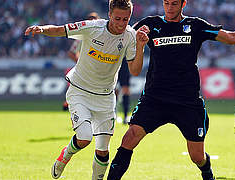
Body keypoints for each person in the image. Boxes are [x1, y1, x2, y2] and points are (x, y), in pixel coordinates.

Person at [106, 0, 235, 180]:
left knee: (197, 157)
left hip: (187, 102)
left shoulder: (195, 26)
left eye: (174, 4)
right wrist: (134, 43)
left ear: (183, 4)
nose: (170, 8)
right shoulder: (149, 24)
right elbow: (120, 34)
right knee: (129, 139)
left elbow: (230, 37)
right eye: (167, 3)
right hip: (155, 98)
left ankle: (206, 172)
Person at [24, 0, 149, 179]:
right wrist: (42, 29)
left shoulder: (130, 35)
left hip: (105, 97)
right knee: (84, 138)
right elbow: (61, 29)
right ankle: (65, 156)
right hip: (80, 91)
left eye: (125, 19)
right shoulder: (92, 27)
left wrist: (141, 47)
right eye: (117, 18)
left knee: (103, 150)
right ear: (109, 14)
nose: (122, 23)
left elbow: (135, 71)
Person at [63, 12, 100, 111]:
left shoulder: (103, 35)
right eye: (90, 19)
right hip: (87, 72)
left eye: (94, 19)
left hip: (102, 70)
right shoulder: (82, 36)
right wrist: (82, 62)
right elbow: (71, 53)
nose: (92, 21)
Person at [116, 59, 131, 124]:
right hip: (114, 61)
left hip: (124, 63)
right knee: (114, 90)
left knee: (125, 89)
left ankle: (125, 116)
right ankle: (113, 114)